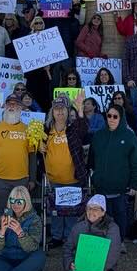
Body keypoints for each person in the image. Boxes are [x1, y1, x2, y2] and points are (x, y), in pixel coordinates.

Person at [43, 195, 121, 271]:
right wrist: (69, 263)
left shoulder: (112, 228)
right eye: (89, 208)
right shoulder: (78, 226)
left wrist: (96, 270)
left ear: (103, 212)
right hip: (81, 265)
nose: (91, 211)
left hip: (104, 268)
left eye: (96, 209)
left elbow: (113, 253)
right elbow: (68, 248)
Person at [88, 103, 137, 246]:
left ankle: (120, 242)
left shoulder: (129, 137)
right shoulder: (98, 136)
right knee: (102, 216)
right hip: (101, 187)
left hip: (121, 188)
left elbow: (136, 163)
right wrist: (94, 176)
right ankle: (104, 243)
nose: (111, 119)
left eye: (115, 116)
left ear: (121, 117)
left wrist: (134, 184)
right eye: (109, 116)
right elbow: (91, 160)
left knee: (120, 216)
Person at [0, 95, 38, 218]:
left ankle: (18, 231)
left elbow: (32, 157)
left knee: (22, 212)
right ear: (5, 106)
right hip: (0, 179)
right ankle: (1, 231)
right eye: (9, 103)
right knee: (2, 211)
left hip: (22, 179)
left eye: (15, 103)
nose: (12, 106)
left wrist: (32, 179)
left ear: (21, 107)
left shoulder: (28, 129)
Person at [43, 98, 88, 247]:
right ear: (52, 112)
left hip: (72, 179)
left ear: (68, 112)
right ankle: (56, 237)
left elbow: (83, 128)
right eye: (57, 109)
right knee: (55, 211)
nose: (60, 111)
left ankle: (69, 237)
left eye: (63, 108)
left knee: (71, 212)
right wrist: (38, 146)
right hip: (53, 179)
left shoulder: (72, 128)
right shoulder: (46, 129)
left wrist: (80, 109)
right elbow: (36, 144)